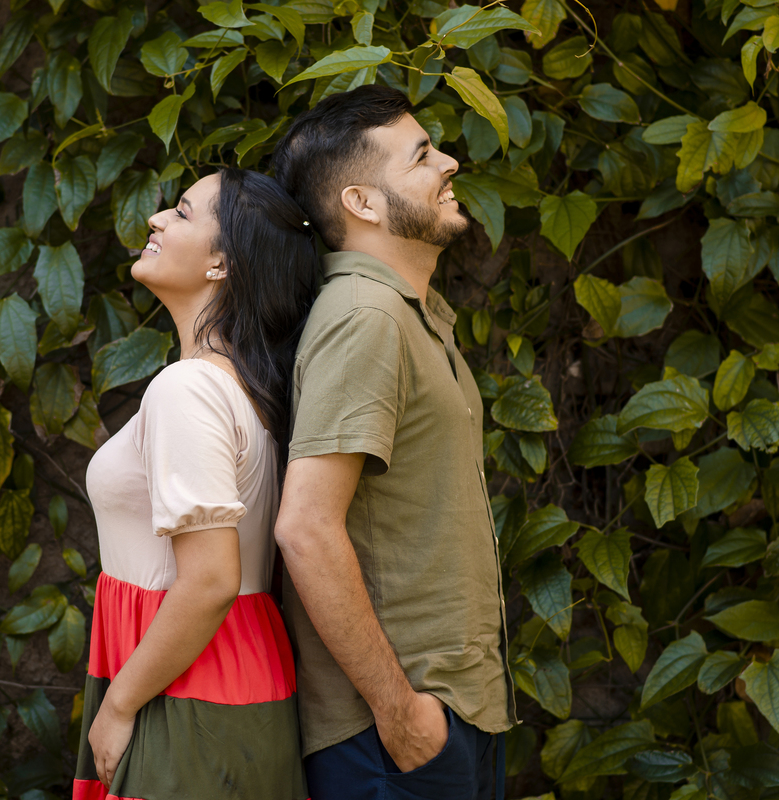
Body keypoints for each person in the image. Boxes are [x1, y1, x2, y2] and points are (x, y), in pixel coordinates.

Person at [270, 84, 516, 800]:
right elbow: (306, 527)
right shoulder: (364, 317)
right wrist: (399, 713)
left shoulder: (407, 314)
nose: (450, 162)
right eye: (421, 155)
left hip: (444, 715)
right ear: (364, 203)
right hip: (392, 739)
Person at [73, 168, 316, 800]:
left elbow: (210, 579)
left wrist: (120, 704)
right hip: (219, 667)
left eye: (181, 213)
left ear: (220, 264)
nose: (155, 220)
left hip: (184, 676)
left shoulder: (190, 388)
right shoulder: (242, 384)